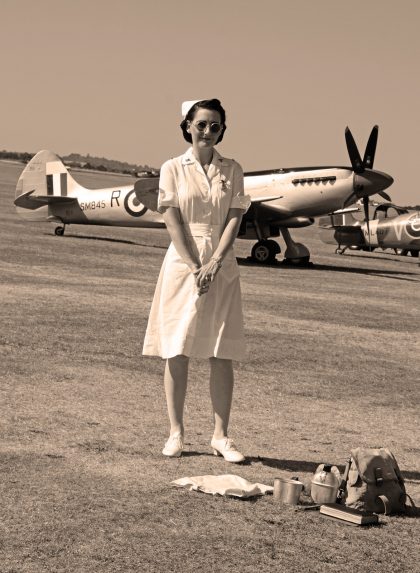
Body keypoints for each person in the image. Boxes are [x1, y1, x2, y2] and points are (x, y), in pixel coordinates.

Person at [142, 98, 250, 462]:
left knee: (222, 350)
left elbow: (235, 217)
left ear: (222, 130)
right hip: (182, 262)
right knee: (177, 347)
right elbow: (172, 218)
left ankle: (221, 436)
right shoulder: (172, 167)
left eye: (215, 125)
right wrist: (194, 266)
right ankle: (176, 433)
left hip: (222, 263)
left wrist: (215, 262)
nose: (207, 131)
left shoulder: (232, 169)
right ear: (187, 125)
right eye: (201, 124)